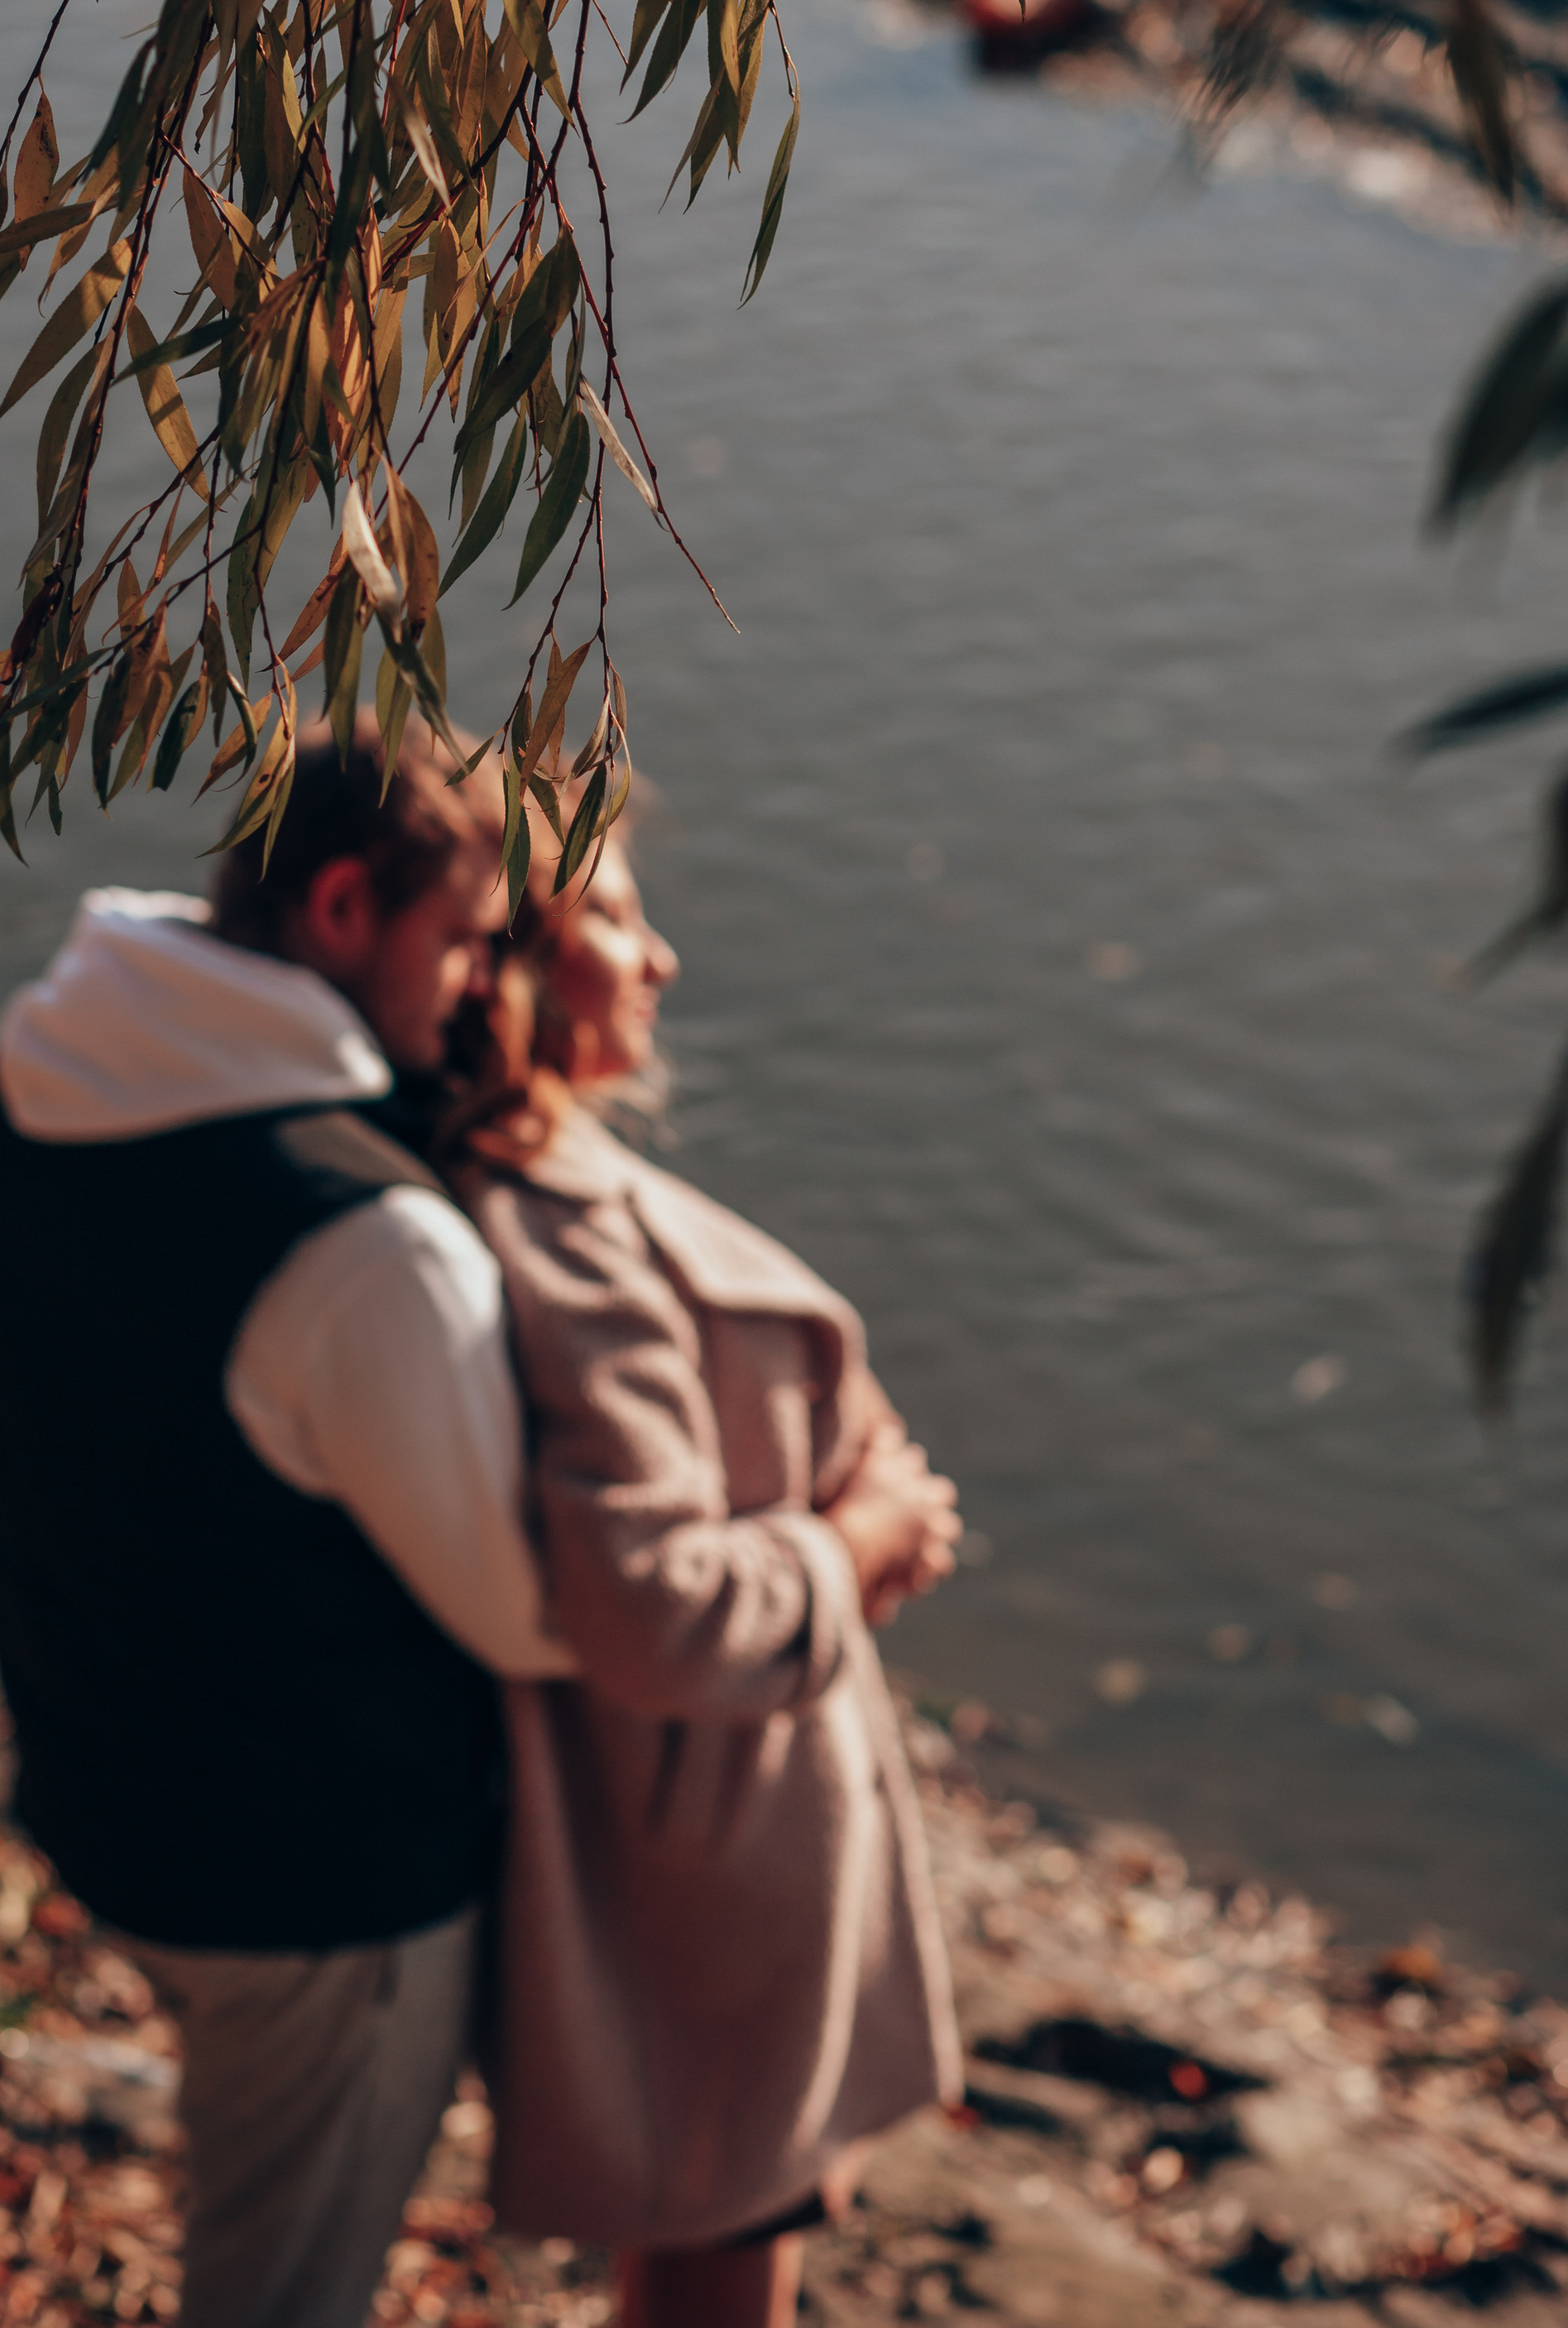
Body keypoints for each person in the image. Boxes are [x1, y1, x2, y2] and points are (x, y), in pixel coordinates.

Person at [0, 718, 572, 2328]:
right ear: (346, 908)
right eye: (463, 943)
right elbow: (526, 1613)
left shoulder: (36, 1065)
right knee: (280, 2291)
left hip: (108, 1787)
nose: (477, 991)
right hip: (315, 1885)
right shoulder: (362, 1243)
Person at [447, 826, 966, 2328]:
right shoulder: (562, 1239)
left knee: (746, 2215)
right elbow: (659, 1605)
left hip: (727, 1813)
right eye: (612, 916)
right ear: (503, 973)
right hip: (705, 1836)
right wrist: (859, 1541)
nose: (660, 957)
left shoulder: (548, 1187)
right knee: (729, 2242)